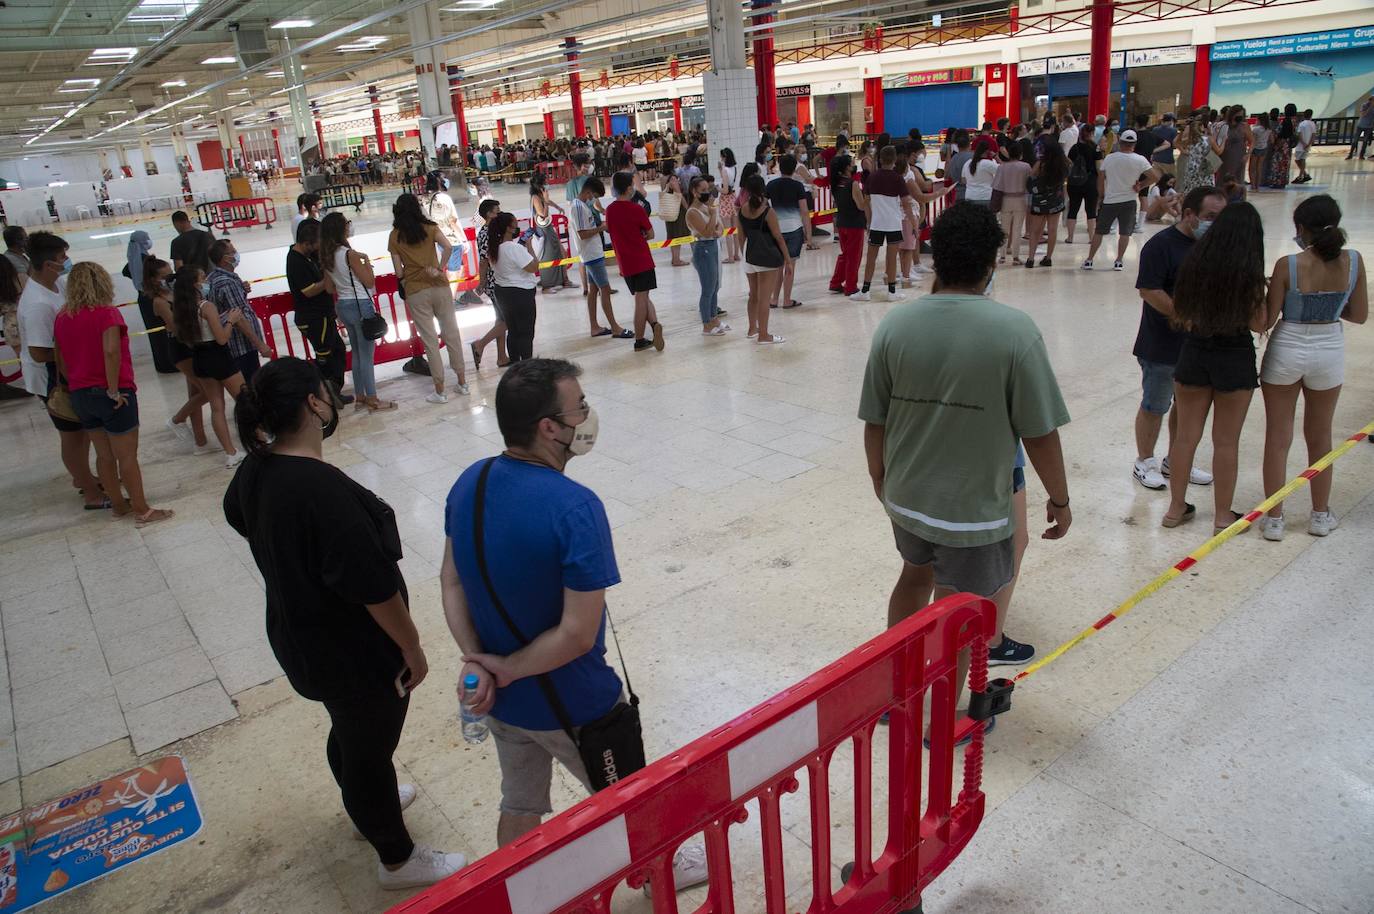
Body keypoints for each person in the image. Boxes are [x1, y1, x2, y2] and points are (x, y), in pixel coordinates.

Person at [437, 358, 708, 891]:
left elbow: (450, 582)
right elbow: (578, 634)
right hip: (575, 702)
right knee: (628, 795)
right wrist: (508, 669)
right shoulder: (574, 507)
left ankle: (516, 890)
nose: (587, 414)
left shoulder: (471, 481)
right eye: (579, 406)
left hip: (501, 702)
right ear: (549, 428)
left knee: (519, 801)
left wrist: (479, 661)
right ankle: (661, 871)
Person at [224, 356, 467, 891]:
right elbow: (373, 589)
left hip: (300, 634)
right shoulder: (321, 492)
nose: (331, 397)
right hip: (353, 651)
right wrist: (412, 646)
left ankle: (367, 802)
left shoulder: (258, 468)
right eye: (325, 391)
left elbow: (237, 516)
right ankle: (397, 857)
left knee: (354, 734)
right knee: (368, 746)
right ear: (314, 404)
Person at [859, 202, 1071, 722]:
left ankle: (896, 694)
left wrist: (881, 479)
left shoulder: (896, 324)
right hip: (972, 510)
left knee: (913, 577)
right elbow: (1040, 433)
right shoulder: (1014, 332)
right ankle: (940, 721)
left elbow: (875, 419)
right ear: (990, 262)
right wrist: (1061, 499)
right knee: (957, 612)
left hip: (907, 498)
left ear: (936, 258)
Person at [1258, 195, 1367, 540]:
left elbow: (1267, 319)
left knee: (1278, 436)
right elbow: (1360, 314)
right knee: (1320, 436)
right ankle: (1320, 515)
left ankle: (1274, 518)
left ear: (1300, 229)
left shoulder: (1287, 265)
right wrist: (1332, 309)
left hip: (1287, 347)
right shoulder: (1354, 261)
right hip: (1329, 349)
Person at [1161, 202, 1268, 533]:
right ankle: (1223, 516)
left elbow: (1180, 311)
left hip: (1194, 352)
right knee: (1226, 441)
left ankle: (1175, 509)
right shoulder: (1247, 273)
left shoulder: (1194, 262)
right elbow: (1257, 323)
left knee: (1184, 438)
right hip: (1234, 357)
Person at [53, 262, 172, 527]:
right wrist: (113, 389)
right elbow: (111, 351)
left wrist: (73, 384)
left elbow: (59, 357)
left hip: (80, 393)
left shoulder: (63, 317)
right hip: (111, 392)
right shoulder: (107, 314)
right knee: (127, 455)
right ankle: (142, 509)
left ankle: (118, 505)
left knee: (103, 454)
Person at [1131, 186, 1226, 491]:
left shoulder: (1212, 247)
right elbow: (1149, 290)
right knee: (1155, 403)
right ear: (1189, 215)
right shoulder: (1161, 246)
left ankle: (1176, 458)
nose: (1216, 223)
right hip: (1161, 343)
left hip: (1199, 345)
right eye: (1210, 217)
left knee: (1186, 406)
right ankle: (1144, 461)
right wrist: (1183, 316)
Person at [17, 232, 106, 509]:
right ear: (47, 264)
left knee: (81, 430)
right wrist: (77, 347)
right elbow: (38, 351)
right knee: (72, 435)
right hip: (51, 379)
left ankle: (83, 479)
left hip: (68, 371)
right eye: (62, 258)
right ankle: (91, 493)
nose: (67, 261)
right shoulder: (37, 304)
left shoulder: (57, 286)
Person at [388, 194, 469, 402]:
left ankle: (440, 391)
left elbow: (398, 272)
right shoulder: (430, 227)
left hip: (416, 290)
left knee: (430, 341)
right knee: (451, 333)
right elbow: (449, 247)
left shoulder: (395, 236)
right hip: (439, 285)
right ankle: (462, 383)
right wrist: (439, 268)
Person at [171, 265, 247, 468]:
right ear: (195, 284)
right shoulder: (206, 307)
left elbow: (185, 339)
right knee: (244, 399)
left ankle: (230, 452)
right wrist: (230, 321)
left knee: (216, 407)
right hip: (218, 356)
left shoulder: (181, 310)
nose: (206, 281)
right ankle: (258, 438)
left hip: (199, 358)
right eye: (203, 277)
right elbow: (222, 339)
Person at [321, 213, 395, 413]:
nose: (349, 226)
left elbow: (329, 288)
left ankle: (360, 395)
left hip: (343, 305)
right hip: (360, 304)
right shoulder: (349, 254)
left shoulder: (327, 256)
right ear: (340, 229)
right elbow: (369, 281)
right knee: (366, 355)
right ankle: (372, 397)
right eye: (347, 223)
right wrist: (367, 264)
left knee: (356, 353)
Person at [289, 219, 352, 406]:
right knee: (325, 357)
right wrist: (327, 278)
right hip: (313, 318)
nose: (320, 247)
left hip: (324, 314)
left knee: (338, 351)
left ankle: (333, 391)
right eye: (317, 243)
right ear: (307, 242)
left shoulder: (311, 255)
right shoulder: (295, 261)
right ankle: (322, 395)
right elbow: (308, 291)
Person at [605, 172, 665, 352]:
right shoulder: (636, 209)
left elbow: (610, 229)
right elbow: (651, 234)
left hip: (625, 262)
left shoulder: (610, 210)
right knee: (641, 299)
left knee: (643, 296)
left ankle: (655, 325)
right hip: (642, 260)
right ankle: (639, 339)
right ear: (630, 188)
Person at [1082, 129, 1156, 272]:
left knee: (1099, 231)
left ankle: (1090, 260)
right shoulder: (1140, 160)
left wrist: (1101, 195)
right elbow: (1155, 176)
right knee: (1124, 233)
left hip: (1110, 200)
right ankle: (1119, 261)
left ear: (1120, 142)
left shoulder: (1110, 158)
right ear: (1134, 144)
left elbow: (1101, 177)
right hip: (1129, 201)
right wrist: (1141, 185)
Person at [207, 239, 271, 384]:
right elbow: (239, 318)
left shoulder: (214, 278)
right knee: (251, 385)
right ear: (225, 259)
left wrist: (242, 291)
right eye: (233, 251)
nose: (236, 254)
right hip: (241, 346)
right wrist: (260, 344)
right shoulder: (227, 282)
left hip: (234, 347)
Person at [736, 172, 788, 345]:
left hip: (749, 256)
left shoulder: (742, 209)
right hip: (766, 258)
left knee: (754, 295)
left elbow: (741, 237)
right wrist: (787, 258)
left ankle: (752, 329)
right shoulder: (767, 211)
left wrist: (746, 255)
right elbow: (778, 237)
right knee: (765, 298)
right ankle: (764, 335)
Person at [853, 146, 909, 302]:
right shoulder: (899, 178)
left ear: (880, 159)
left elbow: (866, 202)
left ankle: (865, 291)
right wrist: (913, 222)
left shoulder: (872, 177)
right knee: (891, 259)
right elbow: (906, 203)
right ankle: (892, 292)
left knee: (871, 258)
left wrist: (869, 223)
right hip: (893, 224)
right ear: (895, 159)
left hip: (877, 223)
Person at [488, 213, 541, 362]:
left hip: (503, 293)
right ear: (509, 228)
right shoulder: (513, 248)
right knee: (526, 332)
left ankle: (515, 364)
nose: (517, 226)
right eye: (515, 223)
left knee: (513, 331)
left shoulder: (495, 249)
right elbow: (533, 267)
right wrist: (530, 247)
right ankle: (527, 365)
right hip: (521, 294)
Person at [765, 154, 814, 310]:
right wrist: (809, 234)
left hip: (776, 230)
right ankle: (787, 299)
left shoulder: (770, 185)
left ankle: (774, 299)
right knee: (790, 265)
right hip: (794, 229)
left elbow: (764, 208)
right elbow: (804, 212)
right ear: (794, 169)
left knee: (778, 265)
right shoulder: (798, 186)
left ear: (779, 165)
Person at [424, 172, 477, 306]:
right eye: (442, 177)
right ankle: (450, 301)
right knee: (454, 271)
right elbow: (453, 221)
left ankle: (451, 298)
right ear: (438, 180)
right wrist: (463, 239)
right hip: (452, 238)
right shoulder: (444, 198)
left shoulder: (427, 199)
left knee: (458, 268)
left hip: (440, 238)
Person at [469, 199, 510, 371]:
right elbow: (484, 260)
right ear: (488, 214)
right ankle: (480, 344)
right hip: (495, 282)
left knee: (500, 319)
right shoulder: (487, 233)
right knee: (508, 319)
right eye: (496, 211)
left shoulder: (493, 231)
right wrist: (482, 281)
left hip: (497, 280)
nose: (499, 214)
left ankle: (501, 357)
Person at [685, 176, 729, 335]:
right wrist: (712, 216)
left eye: (707, 190)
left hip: (713, 246)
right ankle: (706, 324)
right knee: (708, 288)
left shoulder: (706, 208)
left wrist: (715, 226)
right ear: (694, 192)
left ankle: (714, 318)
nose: (707, 193)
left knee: (715, 286)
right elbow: (707, 231)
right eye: (703, 190)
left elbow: (719, 229)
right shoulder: (692, 212)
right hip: (703, 249)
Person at [828, 155, 867, 297]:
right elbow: (861, 206)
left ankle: (836, 282)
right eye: (852, 163)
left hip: (842, 222)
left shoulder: (836, 183)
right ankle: (850, 286)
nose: (854, 165)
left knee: (845, 254)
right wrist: (868, 198)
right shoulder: (853, 184)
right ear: (846, 167)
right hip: (854, 223)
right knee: (854, 256)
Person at [1025, 143, 1068, 268]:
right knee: (1052, 230)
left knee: (1035, 231)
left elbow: (1031, 176)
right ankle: (1048, 258)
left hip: (1040, 200)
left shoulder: (1041, 163)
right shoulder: (1063, 164)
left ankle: (1031, 259)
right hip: (1056, 200)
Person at [529, 172, 573, 291]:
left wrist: (557, 207)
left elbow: (548, 202)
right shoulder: (535, 198)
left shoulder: (540, 195)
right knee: (547, 257)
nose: (546, 184)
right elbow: (543, 214)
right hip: (543, 231)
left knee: (562, 252)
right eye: (544, 182)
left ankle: (565, 279)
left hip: (548, 229)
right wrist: (547, 202)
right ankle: (547, 285)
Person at [991, 143, 1030, 265]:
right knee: (1017, 229)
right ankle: (1016, 257)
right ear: (1020, 154)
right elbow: (1029, 184)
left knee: (1004, 229)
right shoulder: (1026, 166)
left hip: (1005, 199)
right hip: (1021, 199)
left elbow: (996, 186)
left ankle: (1002, 256)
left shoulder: (1002, 167)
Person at [1065, 127, 1102, 244]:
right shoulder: (1096, 148)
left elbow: (1069, 164)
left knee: (1073, 209)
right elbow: (1098, 168)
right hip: (1090, 182)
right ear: (1091, 134)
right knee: (1091, 210)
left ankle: (1070, 237)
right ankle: (1091, 238)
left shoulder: (1074, 148)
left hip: (1074, 183)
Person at [718, 147, 741, 263]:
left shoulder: (725, 170)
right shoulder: (734, 168)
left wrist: (717, 188)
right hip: (733, 198)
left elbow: (725, 189)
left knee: (727, 231)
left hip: (725, 200)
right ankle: (736, 254)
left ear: (724, 157)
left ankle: (730, 257)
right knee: (735, 230)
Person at [961, 137, 999, 208]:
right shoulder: (988, 164)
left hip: (970, 197)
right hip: (985, 196)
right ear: (988, 151)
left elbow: (963, 180)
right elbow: (1003, 170)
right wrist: (996, 157)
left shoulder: (967, 163)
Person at [1265, 105, 1296, 189]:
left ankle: (1278, 181)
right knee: (1285, 163)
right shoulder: (1294, 121)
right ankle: (1282, 181)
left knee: (1278, 163)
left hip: (1282, 145)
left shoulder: (1286, 121)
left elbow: (1283, 135)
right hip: (1287, 145)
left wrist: (1277, 145)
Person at [1249, 114, 1271, 191]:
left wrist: (1249, 151)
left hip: (1255, 149)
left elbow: (1253, 141)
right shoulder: (1268, 129)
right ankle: (1257, 186)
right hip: (1264, 148)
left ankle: (1253, 185)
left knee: (1252, 168)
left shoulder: (1255, 129)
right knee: (1259, 168)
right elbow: (1270, 140)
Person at [1293, 109, 1316, 184]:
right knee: (1302, 160)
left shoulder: (1302, 124)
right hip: (1307, 145)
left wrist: (1303, 143)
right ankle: (1304, 175)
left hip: (1300, 145)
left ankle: (1301, 176)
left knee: (1298, 160)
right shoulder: (1313, 124)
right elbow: (1313, 135)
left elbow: (1299, 134)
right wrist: (1309, 144)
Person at [1152, 112, 1178, 178]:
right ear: (1170, 121)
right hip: (1168, 159)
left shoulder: (1155, 129)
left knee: (1158, 180)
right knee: (1170, 179)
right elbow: (1174, 144)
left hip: (1156, 158)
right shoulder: (1173, 130)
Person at [1347, 96, 1373, 160]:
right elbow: (1363, 114)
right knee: (1355, 140)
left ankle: (1361, 155)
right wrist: (1370, 107)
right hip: (1360, 126)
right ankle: (1350, 154)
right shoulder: (1364, 105)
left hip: (1369, 127)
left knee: (1365, 141)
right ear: (1370, 100)